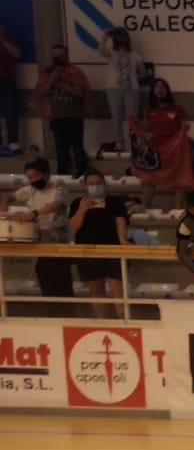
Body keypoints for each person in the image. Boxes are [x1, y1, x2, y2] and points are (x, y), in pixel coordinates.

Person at [66, 169, 129, 310]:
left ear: (104, 183)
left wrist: (123, 240)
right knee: (96, 291)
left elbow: (120, 221)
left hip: (112, 249)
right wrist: (82, 209)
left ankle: (124, 320)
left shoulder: (115, 201)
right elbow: (75, 225)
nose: (95, 186)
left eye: (98, 183)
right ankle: (102, 320)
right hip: (87, 251)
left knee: (118, 289)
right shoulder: (77, 202)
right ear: (85, 186)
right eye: (91, 184)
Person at [11, 159, 70, 303]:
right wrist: (4, 204)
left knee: (60, 276)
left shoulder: (60, 188)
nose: (33, 180)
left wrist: (35, 213)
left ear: (46, 174)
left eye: (35, 176)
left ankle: (66, 308)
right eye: (29, 177)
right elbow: (11, 196)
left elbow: (57, 204)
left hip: (57, 239)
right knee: (43, 273)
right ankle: (51, 307)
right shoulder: (29, 190)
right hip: (39, 239)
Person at [133, 77, 194, 209]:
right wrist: (136, 123)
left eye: (163, 87)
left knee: (178, 180)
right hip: (156, 148)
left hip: (175, 148)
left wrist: (185, 127)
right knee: (150, 179)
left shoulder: (177, 108)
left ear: (167, 90)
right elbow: (148, 127)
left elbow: (184, 125)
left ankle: (178, 211)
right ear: (153, 91)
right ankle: (145, 206)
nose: (160, 90)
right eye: (157, 87)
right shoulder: (150, 109)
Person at [37, 44, 89, 178]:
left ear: (66, 56)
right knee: (61, 149)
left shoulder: (75, 71)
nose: (57, 58)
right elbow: (41, 92)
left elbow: (79, 92)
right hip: (56, 116)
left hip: (74, 116)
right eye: (54, 55)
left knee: (77, 147)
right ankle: (62, 176)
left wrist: (60, 82)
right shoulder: (46, 72)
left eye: (60, 55)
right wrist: (52, 80)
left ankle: (83, 174)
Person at [98, 28, 148, 153]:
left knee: (133, 117)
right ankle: (119, 143)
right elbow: (101, 52)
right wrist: (104, 39)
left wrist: (134, 77)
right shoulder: (111, 52)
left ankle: (134, 142)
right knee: (116, 116)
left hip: (132, 89)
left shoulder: (135, 55)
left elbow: (144, 72)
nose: (121, 39)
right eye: (118, 37)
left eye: (123, 36)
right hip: (114, 89)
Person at [0, 19, 20, 149]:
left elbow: (17, 54)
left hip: (7, 80)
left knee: (10, 112)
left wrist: (3, 41)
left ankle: (13, 141)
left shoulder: (10, 40)